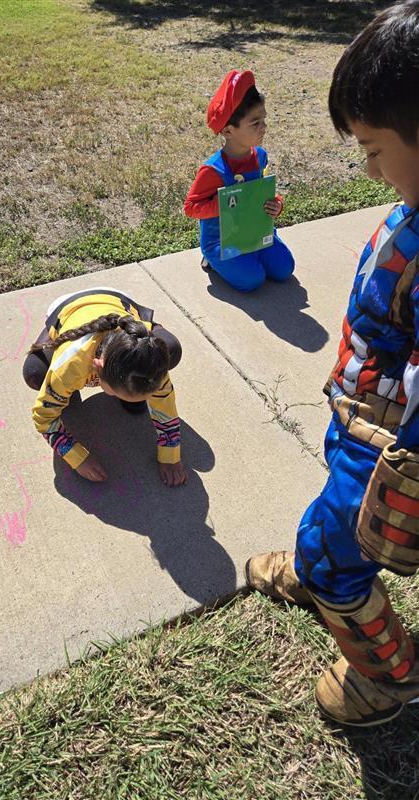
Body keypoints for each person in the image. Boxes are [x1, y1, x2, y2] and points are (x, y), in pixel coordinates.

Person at [246, 1, 419, 727]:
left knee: (337, 550)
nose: (370, 168)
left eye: (375, 148)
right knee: (333, 521)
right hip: (360, 424)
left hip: (392, 448)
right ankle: (318, 560)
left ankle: (389, 676)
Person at [23, 288, 187, 486]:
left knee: (172, 348)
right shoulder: (70, 365)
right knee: (35, 372)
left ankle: (126, 392)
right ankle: (66, 392)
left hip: (117, 299)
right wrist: (77, 458)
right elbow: (44, 418)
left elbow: (164, 404)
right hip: (66, 308)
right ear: (97, 368)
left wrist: (171, 454)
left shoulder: (149, 360)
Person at [184, 69, 295, 292]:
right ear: (228, 130)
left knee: (285, 269)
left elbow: (265, 191)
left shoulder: (260, 156)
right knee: (252, 280)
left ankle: (250, 257)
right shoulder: (213, 170)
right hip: (222, 240)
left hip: (256, 233)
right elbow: (191, 208)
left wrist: (276, 204)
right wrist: (226, 203)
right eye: (255, 123)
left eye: (264, 119)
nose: (263, 127)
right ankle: (211, 259)